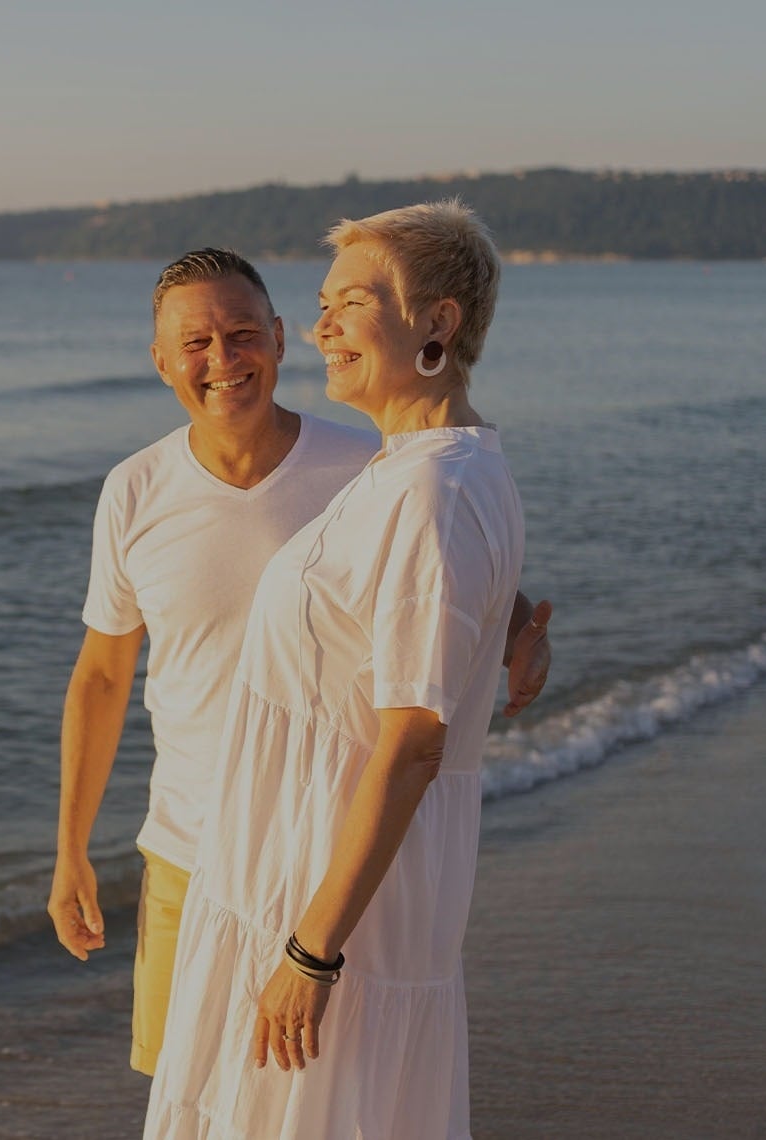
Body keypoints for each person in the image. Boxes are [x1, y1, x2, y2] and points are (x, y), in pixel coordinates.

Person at [49, 247, 552, 1079]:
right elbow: (102, 677)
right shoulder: (133, 491)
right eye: (197, 344)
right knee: (188, 1097)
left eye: (242, 333)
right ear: (162, 362)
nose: (223, 361)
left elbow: (442, 572)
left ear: (281, 339)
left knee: (315, 1101)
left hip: (324, 847)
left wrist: (516, 634)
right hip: (189, 848)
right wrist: (70, 852)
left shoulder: (368, 467)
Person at [141, 201, 525, 1139]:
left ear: (438, 320)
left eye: (352, 301)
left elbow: (412, 746)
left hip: (331, 908)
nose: (321, 328)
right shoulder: (416, 472)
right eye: (322, 303)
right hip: (294, 880)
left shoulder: (431, 491)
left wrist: (311, 956)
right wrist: (517, 627)